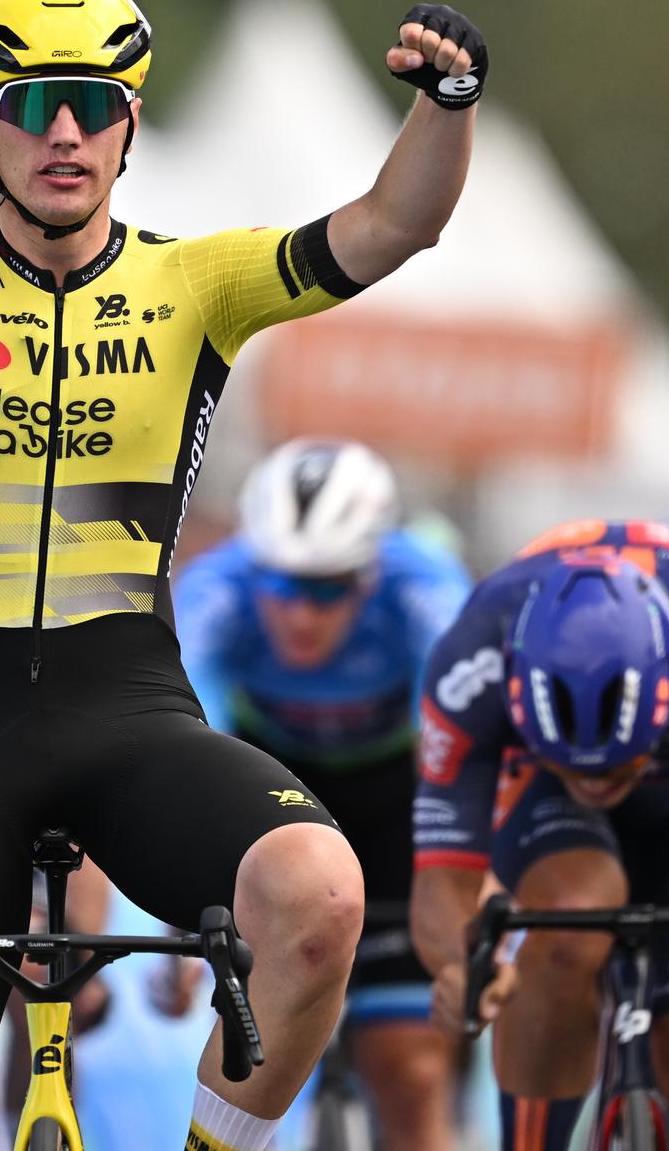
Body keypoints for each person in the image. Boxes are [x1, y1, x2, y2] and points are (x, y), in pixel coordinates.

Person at [0, 0, 484, 1151]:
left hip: (129, 707)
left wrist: (447, 106)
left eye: (90, 101)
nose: (63, 132)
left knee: (321, 897)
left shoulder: (195, 286)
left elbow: (398, 226)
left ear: (131, 118)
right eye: (29, 105)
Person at [411, 518, 669, 1151]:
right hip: (542, 799)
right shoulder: (471, 663)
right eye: (576, 765)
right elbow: (442, 886)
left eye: (621, 763)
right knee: (572, 918)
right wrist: (463, 971)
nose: (597, 782)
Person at [168, 438, 471, 1149]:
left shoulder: (425, 587)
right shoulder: (215, 589)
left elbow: (456, 749)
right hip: (269, 790)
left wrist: (465, 881)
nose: (301, 614)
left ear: (369, 573)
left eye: (329, 587)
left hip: (396, 802)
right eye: (281, 584)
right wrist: (184, 914)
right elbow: (188, 752)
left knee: (409, 1068)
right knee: (254, 1063)